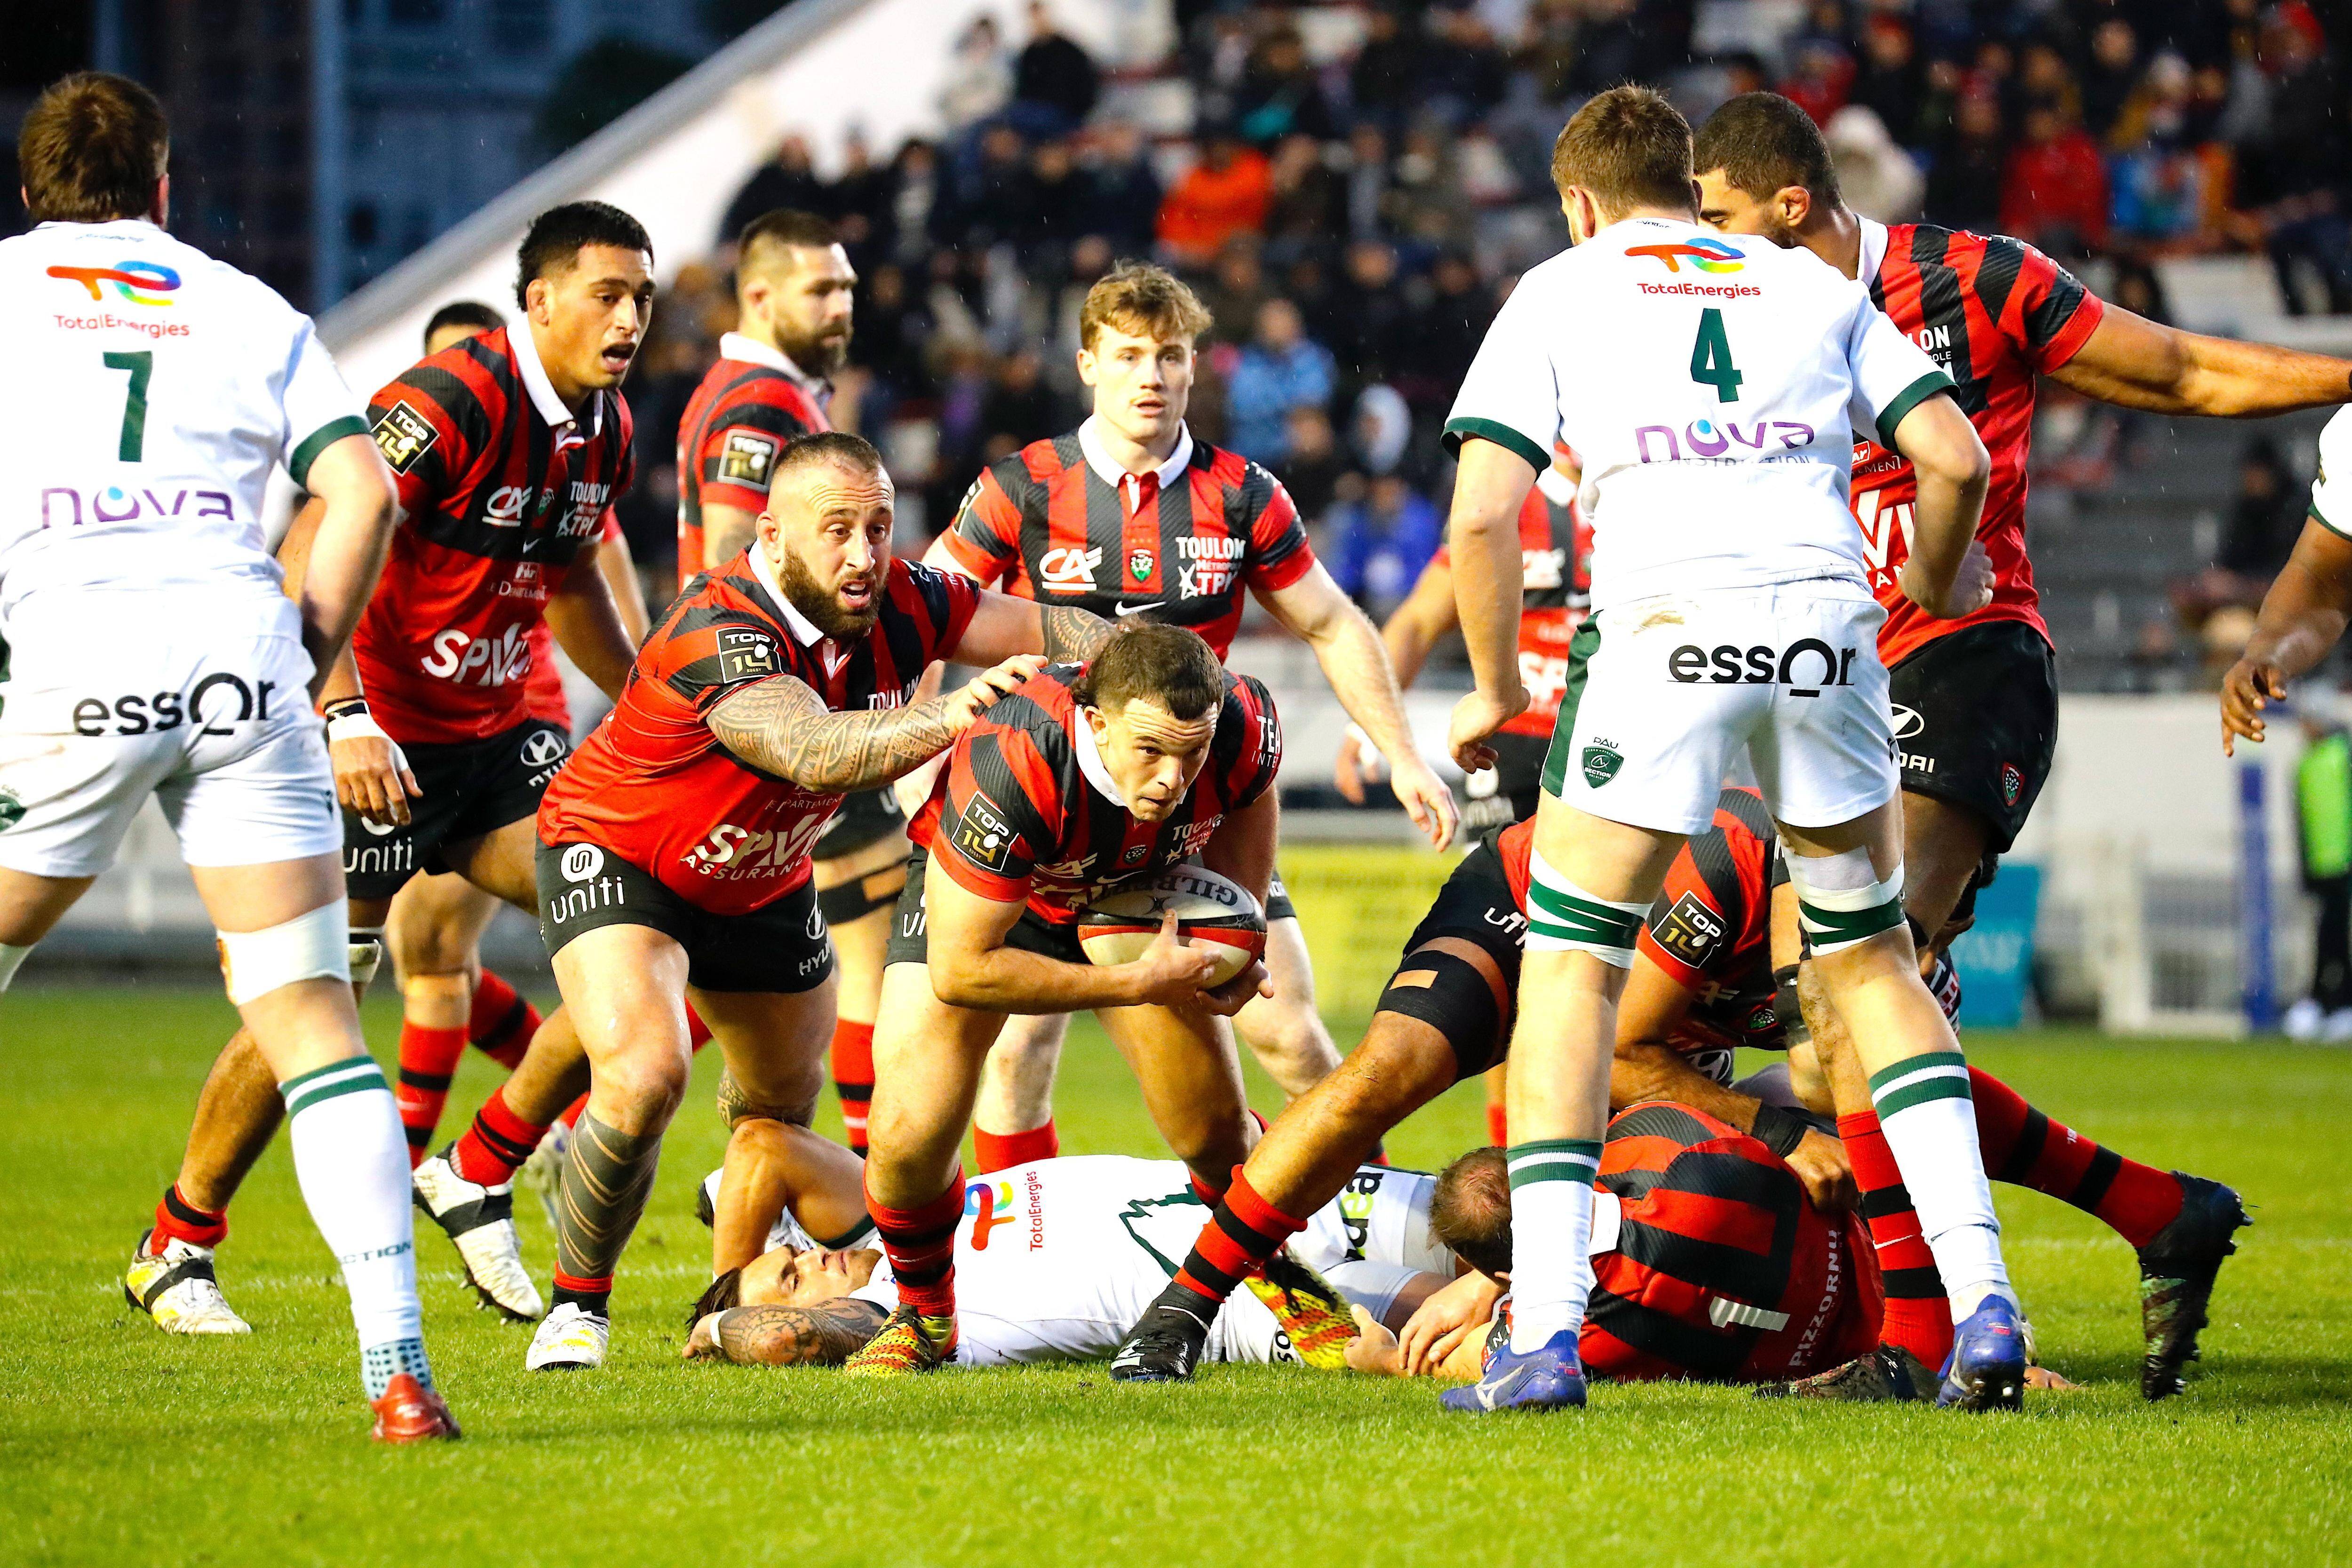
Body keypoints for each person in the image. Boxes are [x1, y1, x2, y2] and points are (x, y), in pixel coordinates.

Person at [1116, 85, 2013, 1415]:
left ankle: (1544, 1336)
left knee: (1575, 975)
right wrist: (1934, 581)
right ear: (1691, 185)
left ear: (1578, 203)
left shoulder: (1561, 287)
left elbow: (1483, 516)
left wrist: (1491, 690)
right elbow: (1956, 459)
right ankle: (1984, 1305)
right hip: (1828, 624)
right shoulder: (1807, 282)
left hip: (1666, 628)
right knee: (1873, 960)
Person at [1693, 90, 2352, 1376]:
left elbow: (2178, 371)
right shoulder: (1717, 323)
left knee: (1854, 974)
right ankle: (2156, 1212)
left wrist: (2347, 375)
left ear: (1790, 204)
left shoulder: (1973, 280)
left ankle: (1925, 1338)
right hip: (1819, 682)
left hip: (1966, 662)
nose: (1699, 241)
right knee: (1825, 1031)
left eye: (1717, 215)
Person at [0, 73, 452, 1440]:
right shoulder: (246, 306)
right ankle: (397, 1372)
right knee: (313, 1017)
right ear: (162, 186)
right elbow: (361, 486)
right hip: (240, 659)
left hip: (75, 654)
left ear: (29, 190)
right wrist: (306, 657)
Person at [125, 201, 654, 1332]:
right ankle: (177, 1240)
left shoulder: (608, 427)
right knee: (314, 994)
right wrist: (344, 712)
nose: (629, 320)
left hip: (498, 746)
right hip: (383, 745)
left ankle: (478, 1161)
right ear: (540, 300)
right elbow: (311, 541)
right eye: (608, 294)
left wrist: (660, 695)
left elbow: (568, 581)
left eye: (642, 300)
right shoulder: (448, 397)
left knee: (640, 908)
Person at [516, 430, 1110, 1371]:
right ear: (773, 534)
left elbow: (1050, 627)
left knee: (778, 1108)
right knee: (646, 1072)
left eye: (878, 526)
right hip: (626, 854)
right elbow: (811, 749)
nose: (863, 553)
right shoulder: (721, 626)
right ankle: (577, 1307)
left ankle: (740, 1277)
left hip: (763, 872)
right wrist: (949, 713)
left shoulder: (908, 599)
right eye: (836, 529)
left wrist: (1154, 662)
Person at [924, 261, 1453, 1175]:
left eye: (1170, 355)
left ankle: (1367, 1221)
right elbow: (926, 608)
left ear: (1195, 367)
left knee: (1290, 1031)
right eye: (1128, 355)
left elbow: (1332, 620)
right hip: (1052, 814)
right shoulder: (1025, 486)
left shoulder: (1243, 493)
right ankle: (1035, 1247)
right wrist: (915, 748)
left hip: (1189, 814)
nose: (1151, 376)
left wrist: (1399, 750)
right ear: (1088, 363)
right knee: (1015, 1060)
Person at [847, 625, 1294, 1374]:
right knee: (904, 1138)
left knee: (1219, 1136)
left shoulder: (1243, 722)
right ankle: (925, 1316)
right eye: (1150, 749)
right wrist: (1135, 984)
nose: (1173, 778)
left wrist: (1241, 936)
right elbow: (962, 970)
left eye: (1191, 753)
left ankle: (1278, 1280)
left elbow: (1250, 793)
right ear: (1095, 722)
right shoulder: (1014, 758)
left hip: (1134, 892)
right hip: (995, 907)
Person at [385, 301, 652, 1166]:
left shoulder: (577, 456)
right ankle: (545, 1127)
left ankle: (452, 1163)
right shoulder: (430, 442)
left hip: (515, 721)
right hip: (409, 719)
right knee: (426, 956)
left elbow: (602, 587)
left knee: (439, 955)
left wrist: (651, 699)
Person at [674, 209, 898, 1157]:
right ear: (760, 295)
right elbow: (731, 559)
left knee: (741, 972)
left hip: (767, 716)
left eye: (846, 286)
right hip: (784, 714)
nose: (842, 304)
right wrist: (789, 704)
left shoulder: (764, 393)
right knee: (871, 950)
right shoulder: (761, 406)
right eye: (821, 289)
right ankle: (866, 1187)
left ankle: (765, 1174)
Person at [683, 1140, 1440, 1370]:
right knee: (1448, 1334)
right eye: (792, 1276)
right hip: (1250, 1297)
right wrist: (716, 1329)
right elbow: (788, 1338)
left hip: (1268, 1194)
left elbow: (760, 1146)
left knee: (1487, 1211)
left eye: (794, 1251)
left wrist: (740, 1271)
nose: (811, 1255)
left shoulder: (899, 1231)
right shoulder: (906, 1317)